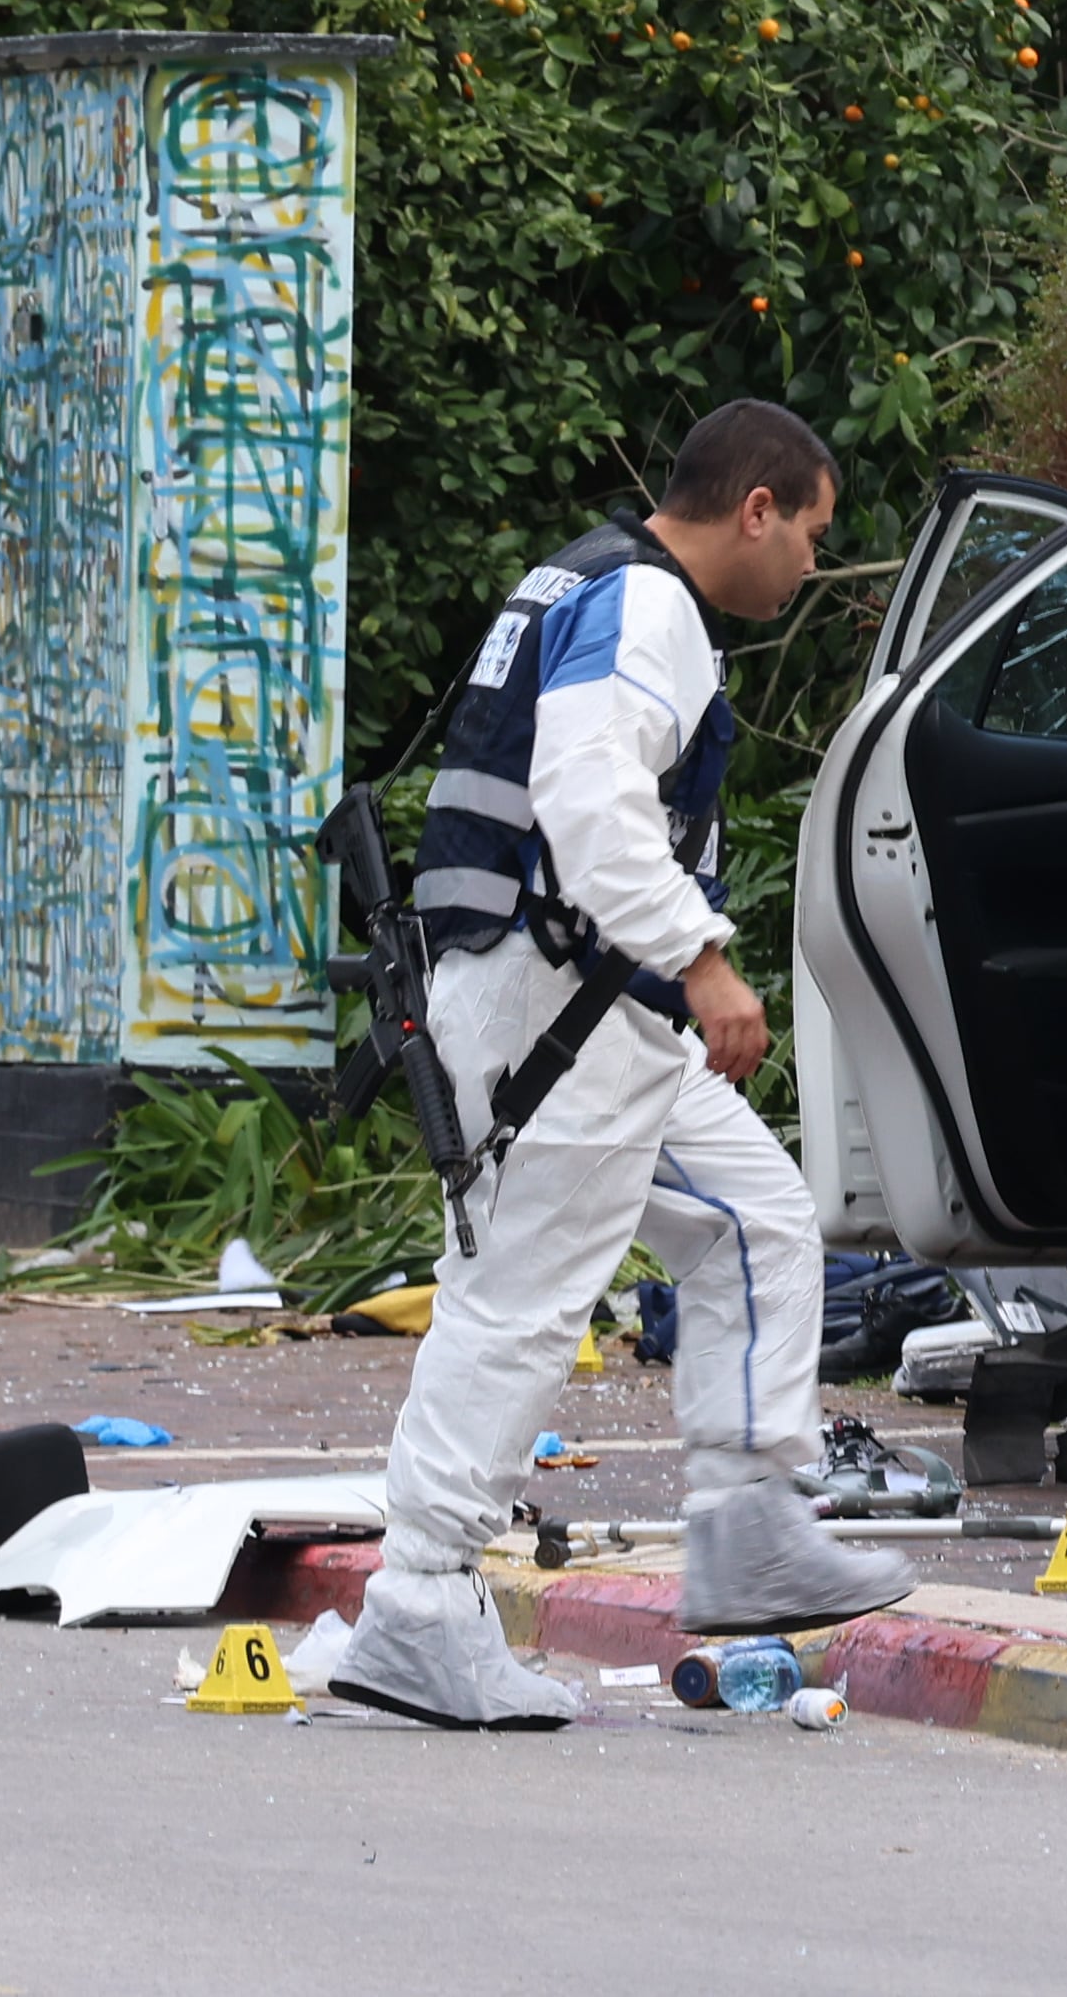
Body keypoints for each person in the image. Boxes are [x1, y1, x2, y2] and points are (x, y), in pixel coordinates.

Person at [336, 401, 912, 1728]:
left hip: (572, 1019)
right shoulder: (648, 609)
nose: (813, 567)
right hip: (565, 1024)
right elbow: (591, 809)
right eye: (813, 533)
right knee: (521, 1306)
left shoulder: (587, 579)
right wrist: (702, 955)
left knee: (756, 1225)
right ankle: (419, 1602)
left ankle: (749, 1525)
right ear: (756, 507)